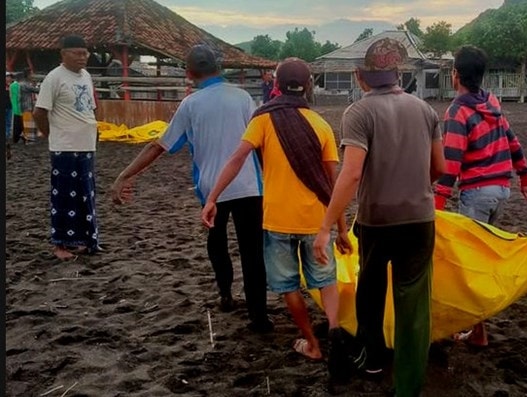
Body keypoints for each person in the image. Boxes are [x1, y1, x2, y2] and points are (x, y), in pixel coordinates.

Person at [201, 57, 352, 378]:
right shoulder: (321, 124)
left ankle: (311, 342)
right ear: (309, 86)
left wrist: (213, 197)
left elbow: (237, 158)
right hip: (316, 222)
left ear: (276, 85)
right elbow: (332, 184)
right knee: (326, 283)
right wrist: (340, 228)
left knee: (288, 286)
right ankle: (335, 330)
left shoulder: (263, 120)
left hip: (276, 223)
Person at [313, 37, 446, 396]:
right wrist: (417, 187)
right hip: (420, 220)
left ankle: (372, 360)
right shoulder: (426, 111)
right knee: (414, 305)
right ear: (398, 73)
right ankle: (408, 385)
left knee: (369, 293)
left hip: (376, 221)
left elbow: (351, 173)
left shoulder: (358, 113)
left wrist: (326, 226)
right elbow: (440, 167)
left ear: (360, 77)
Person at [110, 44, 272, 333]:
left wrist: (125, 175)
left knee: (217, 242)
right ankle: (259, 316)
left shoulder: (190, 105)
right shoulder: (243, 97)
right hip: (249, 185)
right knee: (252, 251)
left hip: (212, 189)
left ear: (189, 73)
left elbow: (158, 146)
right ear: (219, 68)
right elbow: (260, 142)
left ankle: (225, 293)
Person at [433, 45, 527, 347]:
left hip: (477, 193)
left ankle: (474, 330)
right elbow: (511, 139)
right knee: (479, 258)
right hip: (501, 190)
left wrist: (438, 203)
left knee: (468, 264)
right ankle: (478, 330)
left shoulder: (457, 112)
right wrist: (525, 176)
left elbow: (451, 161)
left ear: (455, 75)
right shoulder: (492, 102)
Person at [33, 35, 100, 260]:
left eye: (86, 53)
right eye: (77, 53)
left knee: (86, 195)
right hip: (64, 146)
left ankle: (86, 240)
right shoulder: (54, 78)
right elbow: (39, 112)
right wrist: (52, 135)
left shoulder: (86, 76)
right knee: (63, 196)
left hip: (86, 145)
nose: (83, 57)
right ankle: (60, 245)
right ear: (64, 54)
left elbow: (91, 107)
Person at [19, 68, 40, 142]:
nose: (32, 76)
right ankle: (29, 138)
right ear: (27, 75)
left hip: (25, 105)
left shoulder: (22, 83)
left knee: (27, 122)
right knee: (28, 122)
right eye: (31, 74)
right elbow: (36, 90)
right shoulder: (25, 84)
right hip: (26, 106)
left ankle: (24, 135)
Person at [9, 71, 24, 144]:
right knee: (21, 124)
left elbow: (11, 95)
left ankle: (16, 138)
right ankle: (22, 137)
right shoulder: (19, 85)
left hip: (15, 108)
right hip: (21, 108)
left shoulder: (12, 85)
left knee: (16, 124)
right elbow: (20, 96)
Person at [5, 72, 13, 159]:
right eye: (7, 77)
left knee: (8, 123)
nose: (9, 78)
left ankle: (7, 137)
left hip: (9, 107)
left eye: (10, 77)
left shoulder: (11, 87)